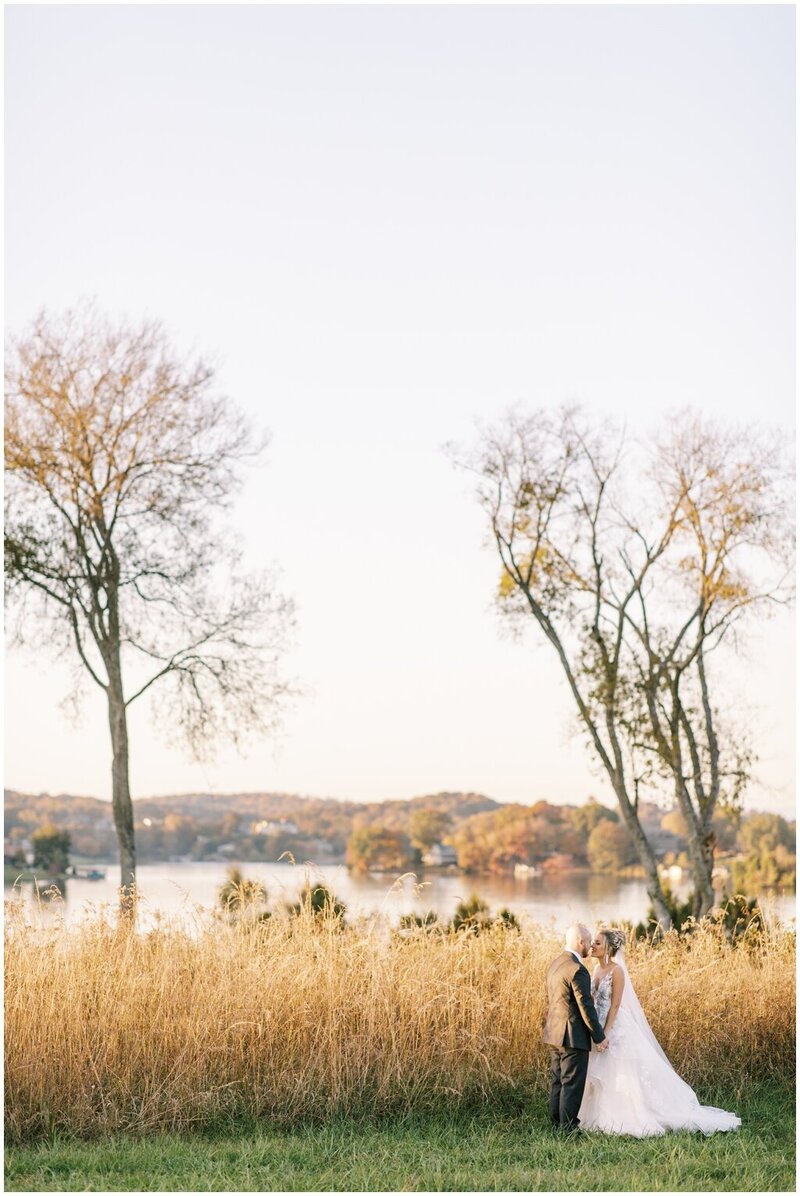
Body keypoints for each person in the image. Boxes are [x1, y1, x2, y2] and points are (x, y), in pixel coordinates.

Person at [578, 927, 742, 1137]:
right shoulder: (595, 971)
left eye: (598, 943)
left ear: (609, 947)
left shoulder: (617, 971)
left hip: (614, 1027)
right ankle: (597, 1117)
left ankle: (622, 1117)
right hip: (598, 1027)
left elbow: (615, 1006)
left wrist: (605, 1033)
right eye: (594, 942)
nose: (592, 946)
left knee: (620, 1071)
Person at [543, 922, 608, 1133]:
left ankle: (556, 1125)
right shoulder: (577, 969)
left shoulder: (556, 963)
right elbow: (585, 1007)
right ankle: (568, 1129)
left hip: (554, 1033)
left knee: (558, 1082)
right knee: (572, 1084)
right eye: (588, 941)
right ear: (580, 941)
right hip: (572, 1035)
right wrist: (599, 1037)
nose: (590, 946)